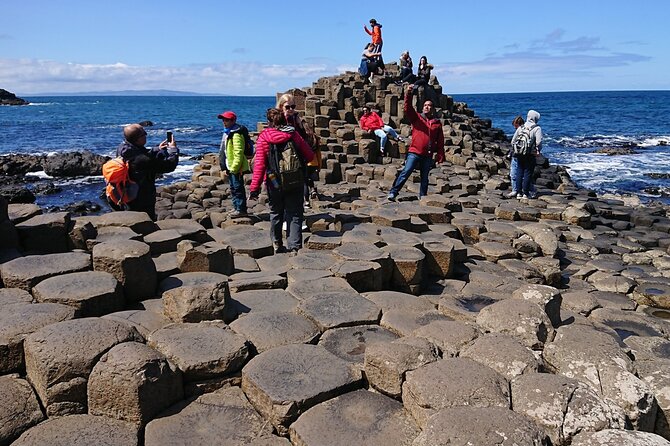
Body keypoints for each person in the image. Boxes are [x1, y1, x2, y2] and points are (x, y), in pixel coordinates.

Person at [249, 108, 314, 253]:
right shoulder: (293, 134)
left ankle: (277, 243)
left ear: (268, 122)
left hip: (274, 182)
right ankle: (295, 247)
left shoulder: (264, 137)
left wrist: (254, 189)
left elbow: (259, 165)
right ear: (284, 120)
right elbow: (310, 156)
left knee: (276, 212)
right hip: (295, 180)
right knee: (295, 213)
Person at [388, 85, 445, 200]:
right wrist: (408, 93)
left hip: (427, 155)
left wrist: (440, 155)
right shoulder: (417, 118)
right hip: (414, 152)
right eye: (425, 105)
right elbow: (408, 108)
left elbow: (440, 141)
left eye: (429, 106)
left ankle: (423, 196)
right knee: (406, 171)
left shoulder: (437, 123)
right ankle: (393, 192)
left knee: (425, 177)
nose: (426, 107)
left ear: (433, 109)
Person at [115, 124, 179, 220]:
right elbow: (169, 166)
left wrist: (157, 149)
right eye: (144, 134)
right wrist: (173, 150)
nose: (146, 135)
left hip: (127, 193)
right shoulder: (143, 160)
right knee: (145, 221)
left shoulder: (122, 148)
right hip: (142, 197)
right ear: (138, 139)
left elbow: (140, 153)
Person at [276, 93, 322, 205]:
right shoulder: (276, 122)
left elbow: (305, 138)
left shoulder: (298, 121)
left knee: (300, 183)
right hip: (281, 159)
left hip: (298, 157)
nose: (291, 109)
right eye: (287, 107)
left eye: (293, 107)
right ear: (281, 106)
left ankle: (303, 203)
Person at [217, 110, 250, 217]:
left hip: (236, 167)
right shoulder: (227, 132)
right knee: (233, 188)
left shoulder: (236, 134)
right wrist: (224, 166)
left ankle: (241, 209)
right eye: (223, 120)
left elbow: (238, 152)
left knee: (238, 188)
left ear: (233, 120)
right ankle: (236, 207)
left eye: (226, 120)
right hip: (230, 165)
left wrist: (235, 168)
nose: (224, 122)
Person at [511, 110, 543, 199]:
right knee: (528, 173)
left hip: (519, 153)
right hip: (529, 153)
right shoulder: (537, 128)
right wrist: (538, 150)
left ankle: (518, 193)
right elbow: (539, 142)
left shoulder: (521, 127)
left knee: (519, 172)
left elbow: (513, 141)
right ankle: (526, 193)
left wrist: (517, 149)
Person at [505, 115, 525, 198]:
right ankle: (519, 190)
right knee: (521, 174)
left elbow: (513, 142)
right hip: (523, 154)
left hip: (517, 155)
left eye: (515, 126)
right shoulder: (527, 130)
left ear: (517, 124)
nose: (514, 128)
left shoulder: (520, 130)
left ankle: (515, 190)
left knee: (514, 174)